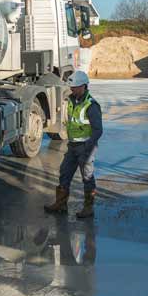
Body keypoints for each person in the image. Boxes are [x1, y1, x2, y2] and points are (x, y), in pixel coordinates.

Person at [44, 71, 103, 219]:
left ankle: (88, 208)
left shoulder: (91, 105)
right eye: (71, 87)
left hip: (86, 146)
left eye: (75, 87)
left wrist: (88, 151)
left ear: (83, 86)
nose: (72, 89)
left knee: (87, 176)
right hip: (73, 146)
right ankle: (61, 204)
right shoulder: (71, 100)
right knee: (65, 172)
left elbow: (98, 130)